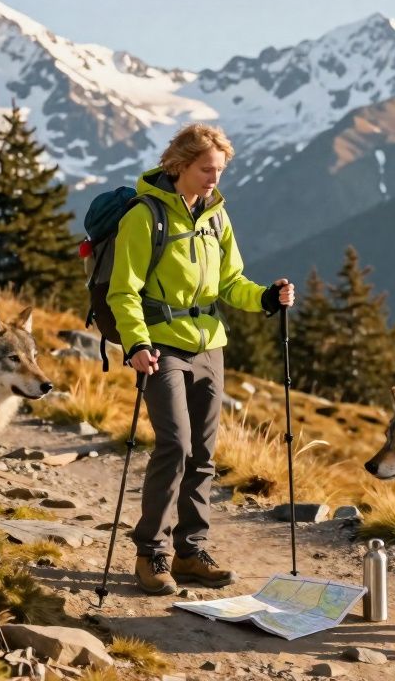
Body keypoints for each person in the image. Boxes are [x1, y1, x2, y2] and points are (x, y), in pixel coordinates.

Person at [108, 123, 295, 595]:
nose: (214, 178)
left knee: (205, 455)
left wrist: (267, 298)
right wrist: (135, 344)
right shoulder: (144, 216)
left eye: (220, 170)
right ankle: (151, 552)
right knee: (175, 446)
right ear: (180, 166)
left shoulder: (216, 217)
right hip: (160, 345)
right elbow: (123, 291)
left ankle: (190, 551)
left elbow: (231, 283)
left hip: (210, 345)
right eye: (205, 169)